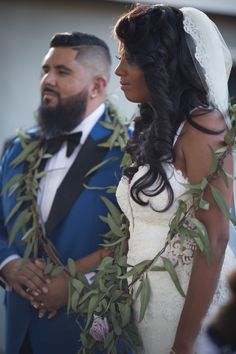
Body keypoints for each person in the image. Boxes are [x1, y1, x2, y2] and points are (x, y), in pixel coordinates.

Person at [114, 4, 236, 354]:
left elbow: (213, 238)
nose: (119, 70)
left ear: (160, 63)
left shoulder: (204, 127)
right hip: (147, 301)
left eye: (129, 59)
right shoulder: (153, 129)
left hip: (188, 306)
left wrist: (185, 342)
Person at [0, 32, 126, 354]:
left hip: (86, 334)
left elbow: (137, 242)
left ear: (98, 86)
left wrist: (76, 286)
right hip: (18, 333)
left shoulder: (131, 152)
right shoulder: (16, 148)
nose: (47, 80)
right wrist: (8, 263)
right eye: (45, 70)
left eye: (62, 72)